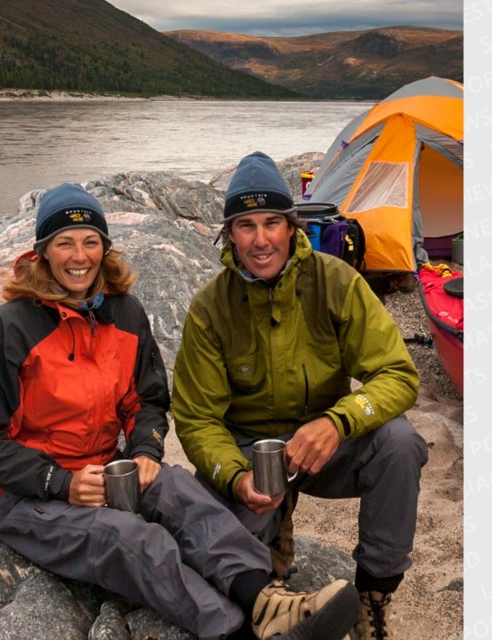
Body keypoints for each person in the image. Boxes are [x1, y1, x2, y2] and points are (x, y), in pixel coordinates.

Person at [0, 182, 360, 640]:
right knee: (132, 539)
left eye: (90, 241)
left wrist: (146, 448)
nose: (78, 256)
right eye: (64, 243)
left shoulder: (124, 313)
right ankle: (235, 632)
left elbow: (147, 399)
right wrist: (61, 483)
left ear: (104, 249)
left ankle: (265, 601)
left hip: (108, 471)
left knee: (179, 490)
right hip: (27, 497)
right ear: (43, 252)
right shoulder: (5, 329)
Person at [172, 152, 429, 640]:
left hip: (328, 446)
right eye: (245, 225)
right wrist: (232, 475)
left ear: (292, 227)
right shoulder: (210, 307)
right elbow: (197, 418)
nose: (261, 239)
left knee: (399, 443)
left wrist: (339, 421)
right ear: (229, 235)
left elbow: (397, 375)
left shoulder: (336, 282)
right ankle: (274, 559)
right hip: (251, 454)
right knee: (223, 566)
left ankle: (372, 598)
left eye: (272, 222)